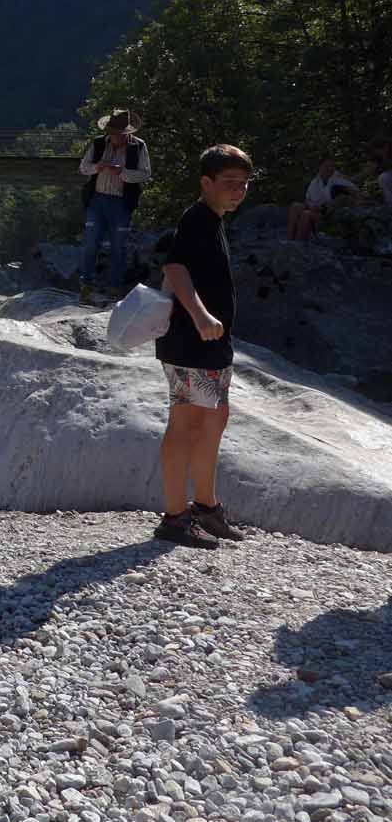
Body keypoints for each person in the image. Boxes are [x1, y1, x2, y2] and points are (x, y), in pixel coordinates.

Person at [152, 144, 253, 548]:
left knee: (213, 420)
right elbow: (174, 267)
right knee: (186, 425)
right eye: (229, 182)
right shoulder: (196, 219)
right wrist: (200, 315)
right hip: (191, 344)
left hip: (209, 345)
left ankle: (207, 508)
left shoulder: (212, 219)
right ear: (206, 183)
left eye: (243, 183)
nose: (238, 190)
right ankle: (175, 518)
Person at [78, 109, 153, 304]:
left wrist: (122, 172)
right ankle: (86, 285)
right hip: (97, 200)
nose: (114, 137)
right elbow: (83, 167)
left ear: (126, 132)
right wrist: (97, 167)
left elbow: (145, 174)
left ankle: (114, 287)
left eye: (118, 133)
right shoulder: (98, 143)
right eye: (112, 133)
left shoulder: (138, 146)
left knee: (119, 246)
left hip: (122, 202)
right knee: (91, 243)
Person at [288, 156, 362, 240]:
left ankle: (298, 242)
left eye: (332, 166)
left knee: (306, 214)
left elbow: (354, 191)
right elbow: (307, 199)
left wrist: (358, 200)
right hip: (318, 208)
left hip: (329, 213)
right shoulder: (316, 181)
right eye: (327, 166)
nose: (330, 168)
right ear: (320, 167)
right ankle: (290, 239)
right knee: (295, 206)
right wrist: (311, 206)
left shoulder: (338, 178)